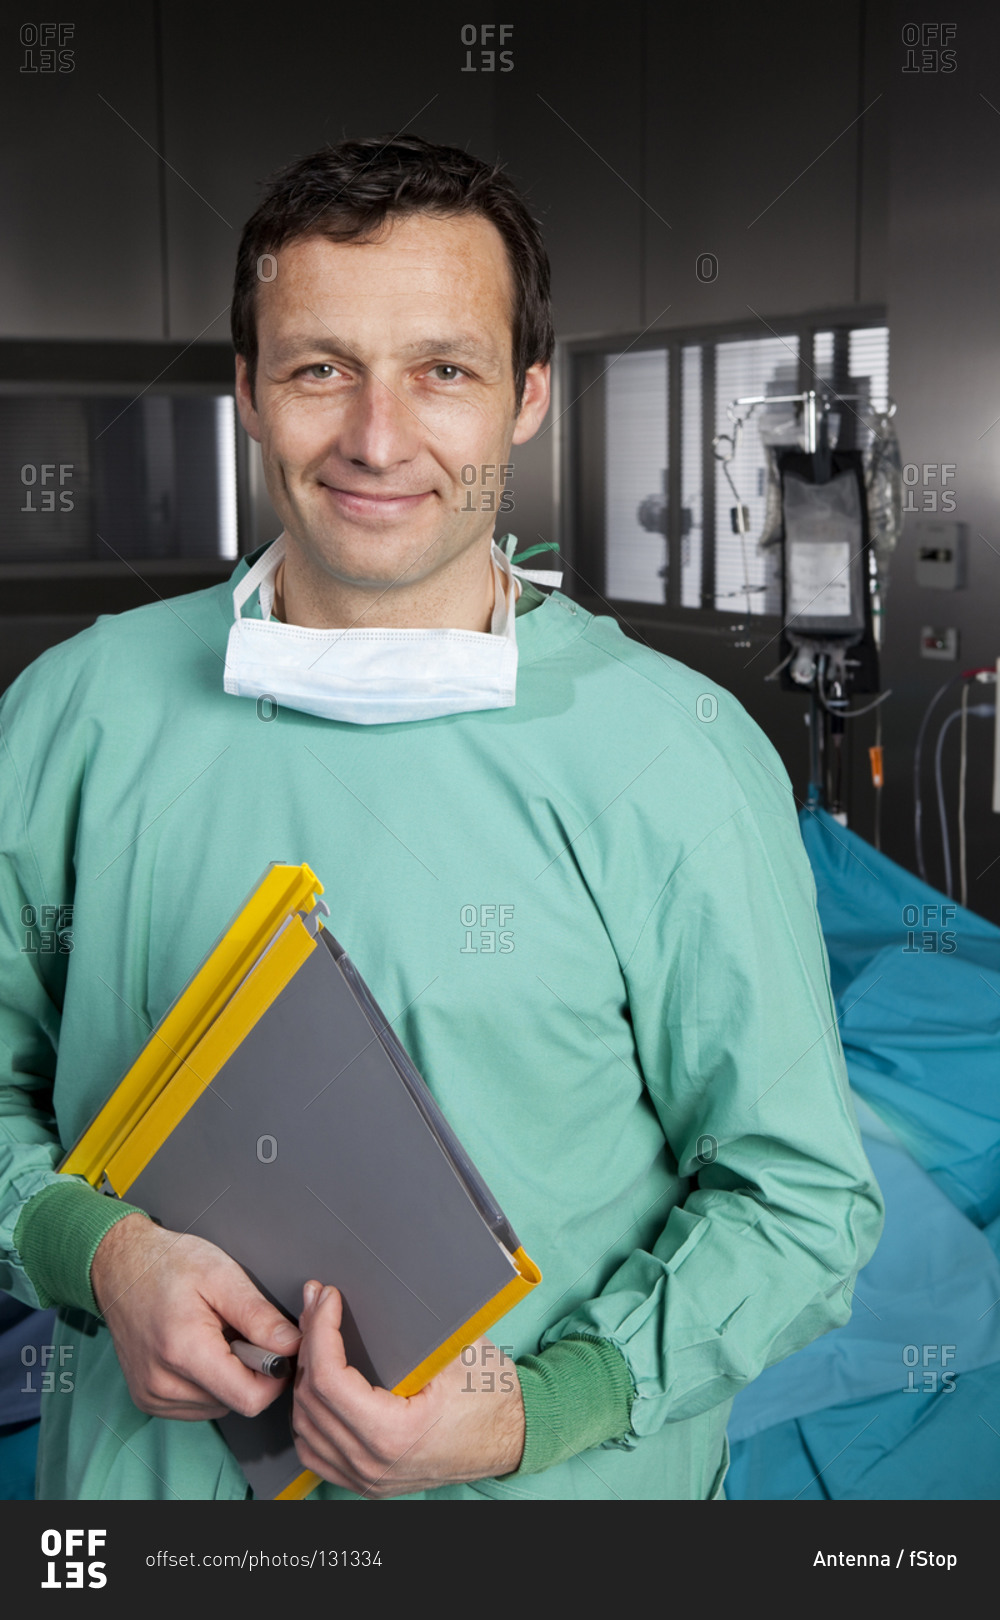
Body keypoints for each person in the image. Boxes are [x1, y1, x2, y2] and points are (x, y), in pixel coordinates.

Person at [0, 134, 883, 1501]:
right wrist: (92, 1249)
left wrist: (545, 1410)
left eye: (443, 371)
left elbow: (801, 1202)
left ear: (527, 397)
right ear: (247, 390)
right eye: (319, 367)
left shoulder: (675, 755)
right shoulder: (75, 715)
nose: (375, 437)